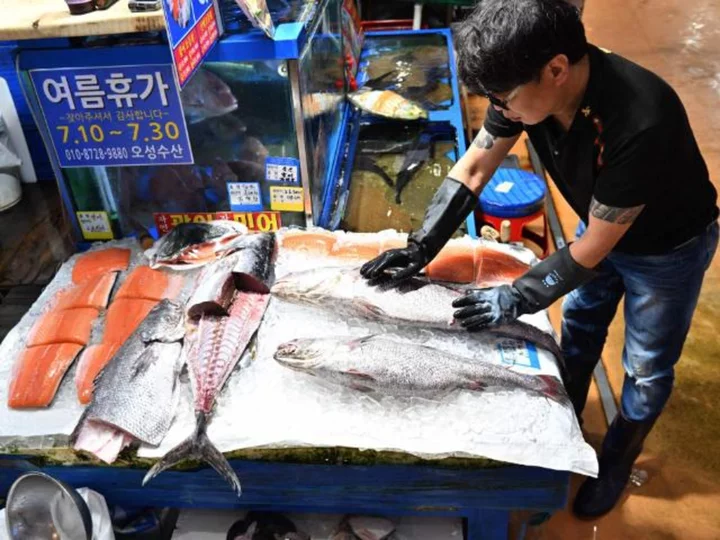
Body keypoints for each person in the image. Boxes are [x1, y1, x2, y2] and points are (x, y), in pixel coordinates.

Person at [359, 0, 719, 519]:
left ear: (556, 69)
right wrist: (422, 245)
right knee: (581, 323)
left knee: (644, 366)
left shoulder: (640, 119)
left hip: (666, 248)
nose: (498, 107)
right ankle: (565, 420)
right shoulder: (527, 88)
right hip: (599, 220)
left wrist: (515, 296)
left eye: (503, 98)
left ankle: (617, 459)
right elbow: (478, 164)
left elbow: (594, 250)